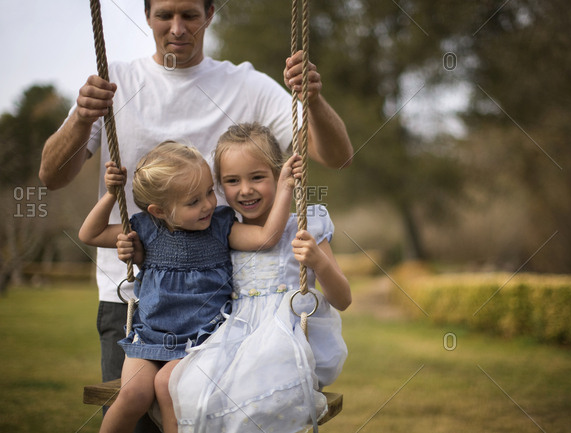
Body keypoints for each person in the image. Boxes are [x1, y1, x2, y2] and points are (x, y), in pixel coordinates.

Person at [39, 0, 352, 430]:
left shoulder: (248, 85)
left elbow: (336, 155)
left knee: (197, 418)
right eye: (164, 14)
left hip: (216, 316)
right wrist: (80, 117)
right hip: (130, 298)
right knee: (132, 409)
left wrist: (313, 101)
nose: (177, 27)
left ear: (211, 13)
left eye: (189, 14)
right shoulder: (117, 81)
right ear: (147, 16)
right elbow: (51, 177)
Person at [119, 123, 350, 432]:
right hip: (225, 339)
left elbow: (343, 299)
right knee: (181, 387)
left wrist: (318, 262)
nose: (245, 189)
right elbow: (172, 255)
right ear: (219, 185)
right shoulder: (220, 232)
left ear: (280, 174)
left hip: (280, 340)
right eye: (231, 180)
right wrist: (134, 250)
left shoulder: (308, 226)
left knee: (247, 400)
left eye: (257, 177)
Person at [78, 140, 303, 433]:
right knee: (133, 394)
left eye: (210, 192)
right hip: (148, 339)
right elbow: (89, 234)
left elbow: (266, 237)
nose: (209, 204)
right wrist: (111, 195)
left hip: (201, 344)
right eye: (193, 202)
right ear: (159, 211)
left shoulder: (221, 226)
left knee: (169, 388)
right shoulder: (145, 229)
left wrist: (285, 187)